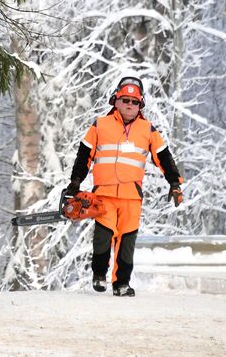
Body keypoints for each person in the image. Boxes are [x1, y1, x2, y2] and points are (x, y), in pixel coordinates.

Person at [65, 76, 184, 297]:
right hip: (104, 193)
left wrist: (174, 183)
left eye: (135, 102)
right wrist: (75, 182)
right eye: (125, 100)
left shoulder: (148, 130)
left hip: (132, 196)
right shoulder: (100, 124)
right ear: (116, 101)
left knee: (127, 240)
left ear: (141, 105)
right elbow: (84, 155)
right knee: (103, 235)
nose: (130, 105)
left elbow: (164, 157)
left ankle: (121, 283)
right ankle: (99, 274)